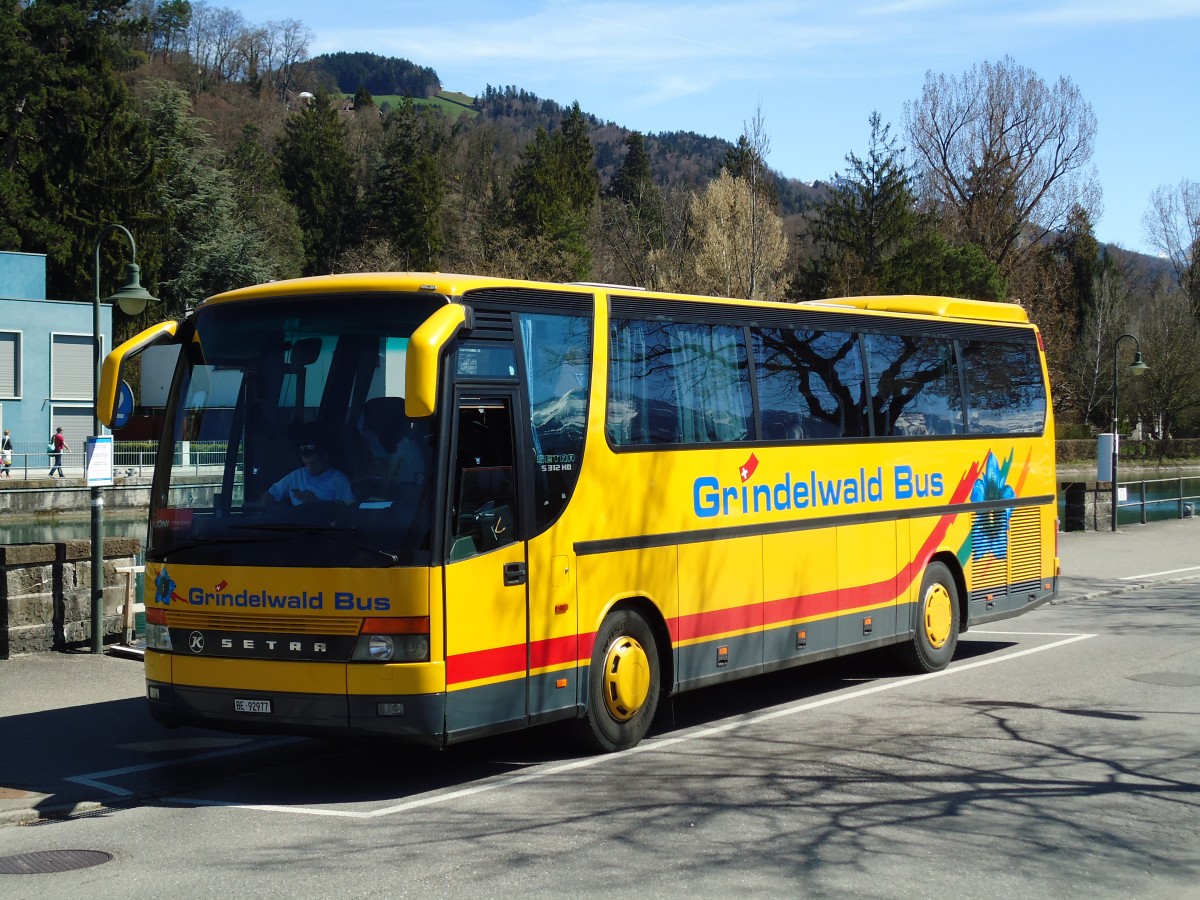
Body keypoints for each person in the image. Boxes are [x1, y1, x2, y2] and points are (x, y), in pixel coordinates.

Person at [261, 431, 354, 507]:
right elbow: (270, 495)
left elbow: (347, 511)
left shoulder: (339, 480)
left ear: (325, 457)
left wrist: (317, 502)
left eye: (313, 463)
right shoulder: (297, 476)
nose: (309, 469)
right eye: (306, 464)